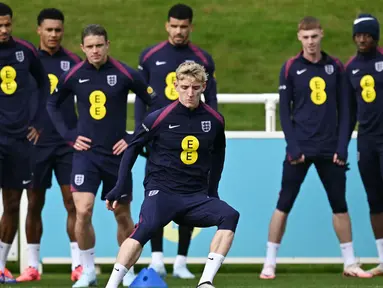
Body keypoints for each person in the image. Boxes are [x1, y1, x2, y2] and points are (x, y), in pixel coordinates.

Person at [104, 61, 239, 288]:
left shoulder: (215, 120)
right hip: (162, 192)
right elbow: (133, 148)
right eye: (185, 87)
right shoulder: (158, 118)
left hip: (195, 197)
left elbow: (219, 155)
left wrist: (212, 190)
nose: (190, 93)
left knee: (230, 215)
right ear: (175, 85)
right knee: (143, 230)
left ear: (204, 86)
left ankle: (205, 282)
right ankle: (112, 284)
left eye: (195, 88)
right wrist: (119, 186)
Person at [259, 16, 372, 279]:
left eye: (314, 36)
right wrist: (293, 146)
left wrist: (342, 147)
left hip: (329, 148)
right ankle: (269, 261)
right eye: (306, 37)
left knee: (339, 204)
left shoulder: (336, 67)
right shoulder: (289, 68)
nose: (310, 42)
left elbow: (346, 110)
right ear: (299, 38)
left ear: (322, 35)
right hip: (299, 149)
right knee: (283, 203)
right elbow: (285, 114)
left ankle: (349, 262)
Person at [46, 24, 156, 287]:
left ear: (108, 45)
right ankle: (88, 270)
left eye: (99, 45)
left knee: (122, 213)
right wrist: (69, 135)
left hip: (118, 157)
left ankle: (126, 270)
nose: (95, 51)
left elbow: (154, 102)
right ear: (82, 48)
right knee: (82, 211)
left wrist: (133, 137)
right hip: (86, 156)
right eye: (90, 46)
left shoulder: (125, 73)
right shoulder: (73, 75)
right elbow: (52, 103)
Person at [135, 3, 217, 278]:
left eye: (184, 26)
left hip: (192, 138)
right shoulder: (150, 56)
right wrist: (140, 133)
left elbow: (212, 102)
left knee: (192, 194)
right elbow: (141, 97)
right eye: (174, 26)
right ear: (167, 26)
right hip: (159, 137)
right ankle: (156, 258)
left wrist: (212, 135)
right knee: (155, 196)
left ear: (191, 27)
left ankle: (181, 260)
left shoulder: (203, 58)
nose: (179, 31)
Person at [16, 8, 83, 283]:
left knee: (73, 204)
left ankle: (78, 265)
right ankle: (32, 266)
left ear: (63, 31)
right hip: (36, 145)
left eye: (58, 30)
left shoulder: (75, 61)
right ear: (38, 31)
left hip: (67, 144)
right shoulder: (27, 61)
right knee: (34, 203)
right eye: (49, 30)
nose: (54, 34)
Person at [0, 2, 50, 284]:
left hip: (19, 139)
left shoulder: (25, 51)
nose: (4, 30)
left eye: (8, 24)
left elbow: (44, 84)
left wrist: (39, 123)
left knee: (12, 204)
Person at [345, 14, 383, 277]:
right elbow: (348, 112)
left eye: (366, 34)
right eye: (358, 35)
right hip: (367, 141)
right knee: (375, 200)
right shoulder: (351, 67)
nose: (361, 39)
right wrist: (342, 145)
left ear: (375, 36)